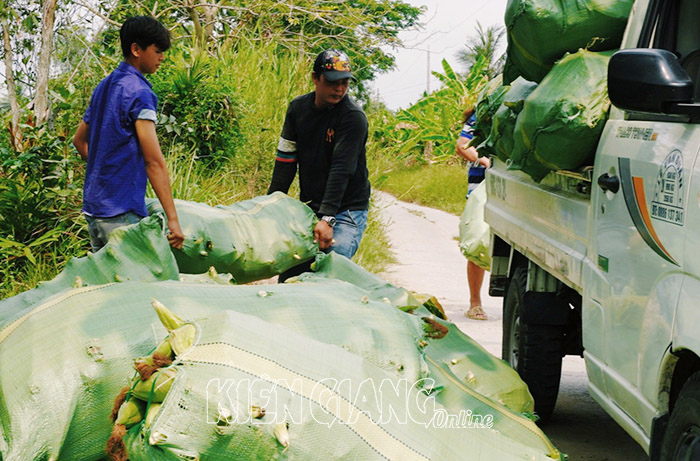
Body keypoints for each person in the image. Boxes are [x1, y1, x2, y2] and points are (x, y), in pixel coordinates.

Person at [73, 16, 184, 253]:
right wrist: (173, 220)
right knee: (144, 286)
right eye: (157, 51)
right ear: (136, 49)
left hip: (94, 212)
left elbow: (78, 140)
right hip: (120, 215)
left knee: (109, 287)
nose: (161, 57)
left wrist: (103, 174)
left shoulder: (104, 86)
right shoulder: (140, 92)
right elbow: (153, 161)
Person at [268, 49, 371, 282]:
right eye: (333, 82)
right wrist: (271, 205)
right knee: (290, 276)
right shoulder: (298, 109)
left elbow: (341, 169)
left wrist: (327, 218)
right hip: (311, 207)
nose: (340, 89)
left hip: (346, 210)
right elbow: (285, 160)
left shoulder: (352, 117)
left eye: (345, 83)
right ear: (315, 78)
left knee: (330, 270)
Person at [455, 108, 490, 320]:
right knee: (478, 241)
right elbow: (462, 146)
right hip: (481, 187)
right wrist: (484, 161)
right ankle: (475, 302)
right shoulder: (484, 112)